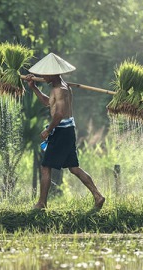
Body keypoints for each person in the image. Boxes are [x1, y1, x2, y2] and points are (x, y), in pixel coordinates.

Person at [24, 53, 105, 210]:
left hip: (62, 131)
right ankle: (98, 196)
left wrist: (48, 130)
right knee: (73, 168)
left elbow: (59, 114)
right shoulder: (59, 87)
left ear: (53, 73)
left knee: (46, 166)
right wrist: (33, 87)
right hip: (66, 130)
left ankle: (41, 203)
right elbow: (49, 102)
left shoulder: (61, 89)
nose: (42, 76)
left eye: (45, 73)